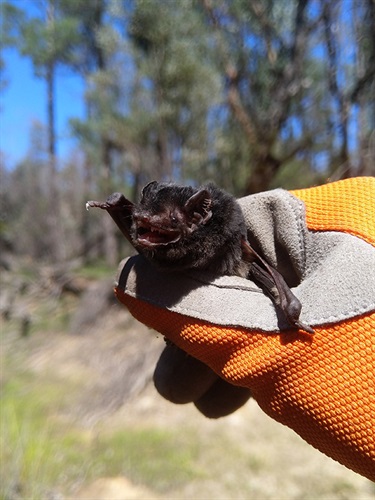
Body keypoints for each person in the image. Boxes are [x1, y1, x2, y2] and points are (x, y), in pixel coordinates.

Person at [115, 176, 375, 481]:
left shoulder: (225, 235)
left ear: (198, 215)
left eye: (170, 219)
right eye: (144, 217)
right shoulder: (158, 230)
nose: (148, 222)